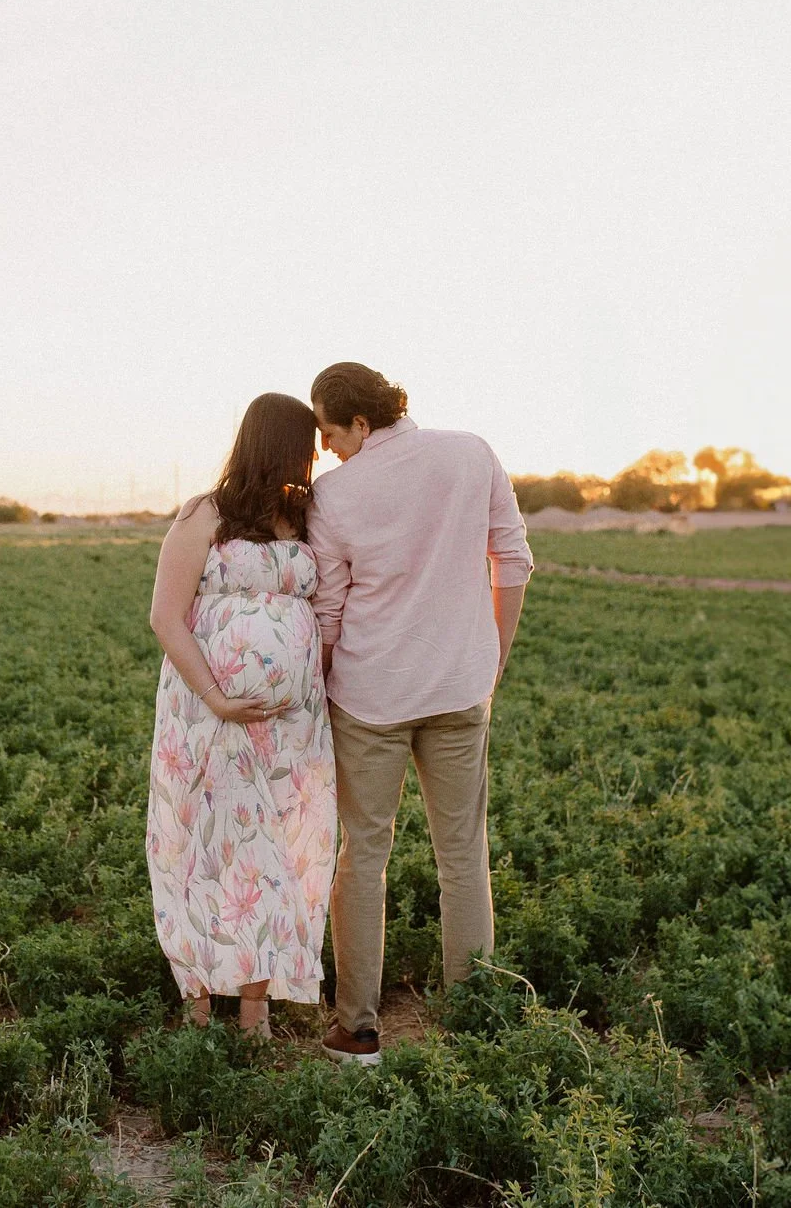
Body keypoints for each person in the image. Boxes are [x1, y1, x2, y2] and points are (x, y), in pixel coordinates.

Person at [306, 362, 532, 1067]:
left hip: (370, 696)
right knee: (463, 853)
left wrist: (323, 676)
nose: (325, 447)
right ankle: (473, 1018)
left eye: (329, 431)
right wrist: (491, 658)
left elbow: (332, 609)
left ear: (361, 424)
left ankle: (357, 1029)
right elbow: (515, 561)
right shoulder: (473, 452)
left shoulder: (334, 494)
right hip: (460, 687)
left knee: (363, 854)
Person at [146, 393, 339, 1037]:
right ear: (275, 444)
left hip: (290, 726)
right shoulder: (205, 514)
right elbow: (166, 618)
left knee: (275, 851)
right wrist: (217, 697)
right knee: (208, 848)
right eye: (304, 445)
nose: (312, 457)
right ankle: (199, 1003)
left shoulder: (301, 514)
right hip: (209, 717)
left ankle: (254, 1007)